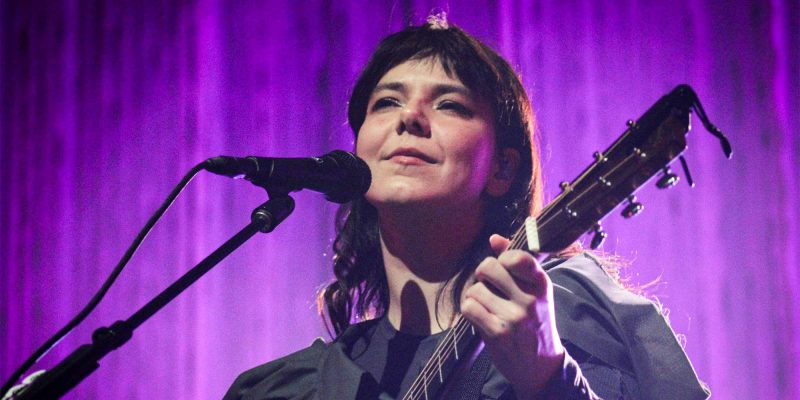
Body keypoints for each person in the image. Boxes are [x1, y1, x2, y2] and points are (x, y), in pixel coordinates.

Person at [224, 15, 709, 400]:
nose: (410, 117)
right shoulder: (288, 389)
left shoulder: (566, 316)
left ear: (502, 169)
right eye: (387, 102)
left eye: (450, 105)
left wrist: (549, 376)